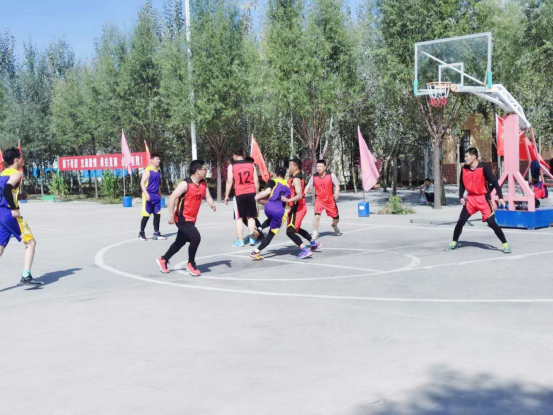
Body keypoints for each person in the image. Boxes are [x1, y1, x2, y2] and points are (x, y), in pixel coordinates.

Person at [445, 148, 511, 253]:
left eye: (467, 156)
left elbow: (495, 182)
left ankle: (505, 244)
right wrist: (461, 196)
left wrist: (500, 197)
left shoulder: (484, 168)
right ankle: (454, 242)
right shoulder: (464, 169)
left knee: (491, 223)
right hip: (470, 199)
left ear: (474, 157)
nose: (465, 158)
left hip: (483, 199)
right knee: (461, 221)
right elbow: (462, 184)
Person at [156, 160, 216, 276]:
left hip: (192, 218)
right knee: (196, 237)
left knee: (180, 242)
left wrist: (211, 204)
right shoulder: (185, 184)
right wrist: (171, 216)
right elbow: (172, 197)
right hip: (182, 218)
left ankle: (163, 259)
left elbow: (207, 196)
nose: (206, 171)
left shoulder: (203, 183)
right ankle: (191, 263)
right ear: (197, 171)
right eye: (205, 169)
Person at [0, 148, 41, 286]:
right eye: (22, 157)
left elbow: (5, 192)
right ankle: (26, 276)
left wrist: (18, 196)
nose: (24, 160)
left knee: (0, 246)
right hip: (9, 214)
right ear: (16, 159)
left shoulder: (2, 173)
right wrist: (13, 208)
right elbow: (7, 190)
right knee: (31, 242)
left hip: (1, 212)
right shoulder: (16, 174)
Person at [250, 166, 291, 260]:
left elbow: (267, 192)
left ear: (276, 173)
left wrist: (255, 197)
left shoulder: (272, 181)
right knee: (270, 235)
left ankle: (259, 229)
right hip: (279, 210)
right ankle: (256, 252)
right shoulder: (288, 185)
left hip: (268, 207)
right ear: (285, 174)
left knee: (270, 219)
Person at [284, 158, 320, 259]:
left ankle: (305, 250)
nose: (289, 167)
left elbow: (299, 195)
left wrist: (288, 200)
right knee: (297, 229)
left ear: (295, 167)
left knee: (290, 231)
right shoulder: (297, 177)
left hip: (297, 207)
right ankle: (313, 243)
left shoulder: (296, 179)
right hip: (298, 206)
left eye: (290, 165)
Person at [225, 149, 260, 247]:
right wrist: (257, 194)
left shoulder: (232, 166)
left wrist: (226, 195)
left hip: (239, 193)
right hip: (251, 193)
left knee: (239, 218)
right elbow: (256, 180)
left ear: (235, 155)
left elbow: (229, 181)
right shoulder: (251, 164)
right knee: (251, 217)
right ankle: (252, 239)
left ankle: (240, 241)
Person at [304, 160, 341, 240]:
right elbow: (308, 186)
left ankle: (334, 225)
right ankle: (315, 233)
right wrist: (303, 194)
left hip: (330, 200)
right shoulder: (314, 177)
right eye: (317, 166)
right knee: (317, 216)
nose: (319, 168)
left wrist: (336, 193)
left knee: (336, 218)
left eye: (321, 166)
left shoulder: (331, 175)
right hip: (319, 200)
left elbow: (337, 185)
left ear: (325, 167)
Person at [139, 153, 166, 241]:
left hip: (156, 195)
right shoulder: (148, 170)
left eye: (159, 159)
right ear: (151, 160)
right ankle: (141, 233)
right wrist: (146, 194)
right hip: (148, 195)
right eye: (157, 159)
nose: (158, 161)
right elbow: (142, 183)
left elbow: (158, 184)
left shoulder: (158, 170)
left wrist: (160, 194)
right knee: (146, 215)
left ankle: (156, 233)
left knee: (157, 215)